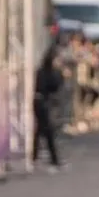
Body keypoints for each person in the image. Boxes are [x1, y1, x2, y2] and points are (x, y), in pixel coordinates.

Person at [33, 44, 66, 172]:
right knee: (48, 131)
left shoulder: (48, 71)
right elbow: (53, 85)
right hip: (41, 102)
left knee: (41, 131)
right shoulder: (45, 72)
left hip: (43, 102)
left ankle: (36, 156)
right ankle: (53, 159)